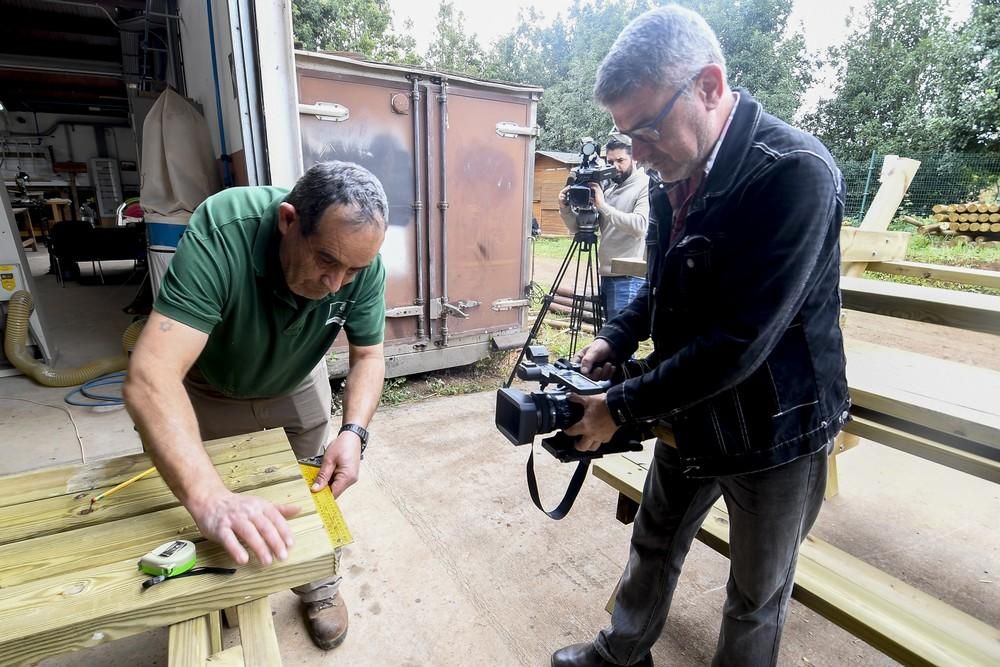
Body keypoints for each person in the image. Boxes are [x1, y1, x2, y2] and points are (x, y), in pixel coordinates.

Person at [551, 6, 850, 667]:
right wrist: (615, 340)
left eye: (648, 130)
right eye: (627, 133)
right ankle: (622, 651)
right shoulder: (671, 176)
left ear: (709, 86)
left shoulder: (795, 173)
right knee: (654, 542)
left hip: (779, 427)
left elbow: (741, 340)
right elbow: (658, 292)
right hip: (692, 405)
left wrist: (620, 407)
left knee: (754, 593)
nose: (641, 152)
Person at [123, 160, 388, 651]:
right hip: (208, 383)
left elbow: (369, 354)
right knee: (209, 492)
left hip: (295, 379)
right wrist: (208, 498)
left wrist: (354, 431)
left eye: (354, 270)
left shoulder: (358, 264)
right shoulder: (224, 229)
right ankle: (227, 578)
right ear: (288, 221)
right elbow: (151, 378)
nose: (337, 283)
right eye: (326, 260)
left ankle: (319, 583)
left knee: (313, 489)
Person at [559, 136, 650, 319]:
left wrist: (602, 206)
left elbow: (640, 226)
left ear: (635, 158)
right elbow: (580, 228)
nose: (614, 167)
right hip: (607, 275)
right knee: (610, 336)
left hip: (628, 278)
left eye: (620, 160)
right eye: (610, 162)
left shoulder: (645, 185)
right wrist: (565, 209)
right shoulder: (608, 190)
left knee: (621, 339)